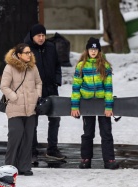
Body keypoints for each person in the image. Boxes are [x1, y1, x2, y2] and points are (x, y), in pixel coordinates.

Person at [71, 37, 119, 170]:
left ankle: (109, 159)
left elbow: (108, 87)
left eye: (96, 49)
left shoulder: (104, 66)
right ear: (87, 50)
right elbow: (76, 87)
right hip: (87, 104)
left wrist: (109, 106)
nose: (93, 51)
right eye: (91, 49)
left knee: (106, 132)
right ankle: (86, 159)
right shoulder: (81, 66)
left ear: (99, 50)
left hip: (101, 102)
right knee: (88, 133)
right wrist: (75, 106)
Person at [23, 24, 64, 162]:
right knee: (32, 121)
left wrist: (57, 81)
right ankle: (32, 151)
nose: (41, 38)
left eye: (43, 35)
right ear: (32, 36)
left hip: (51, 88)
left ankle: (52, 149)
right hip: (33, 90)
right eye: (38, 35)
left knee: (55, 119)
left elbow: (57, 65)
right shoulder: (25, 50)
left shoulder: (51, 47)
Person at [0, 43, 42, 176]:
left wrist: (37, 95)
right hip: (15, 108)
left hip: (30, 109)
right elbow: (4, 86)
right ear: (19, 55)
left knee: (28, 138)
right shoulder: (10, 67)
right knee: (15, 136)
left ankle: (24, 167)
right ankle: (9, 167)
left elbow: (38, 83)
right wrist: (14, 97)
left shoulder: (33, 67)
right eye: (27, 52)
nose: (30, 54)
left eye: (30, 52)